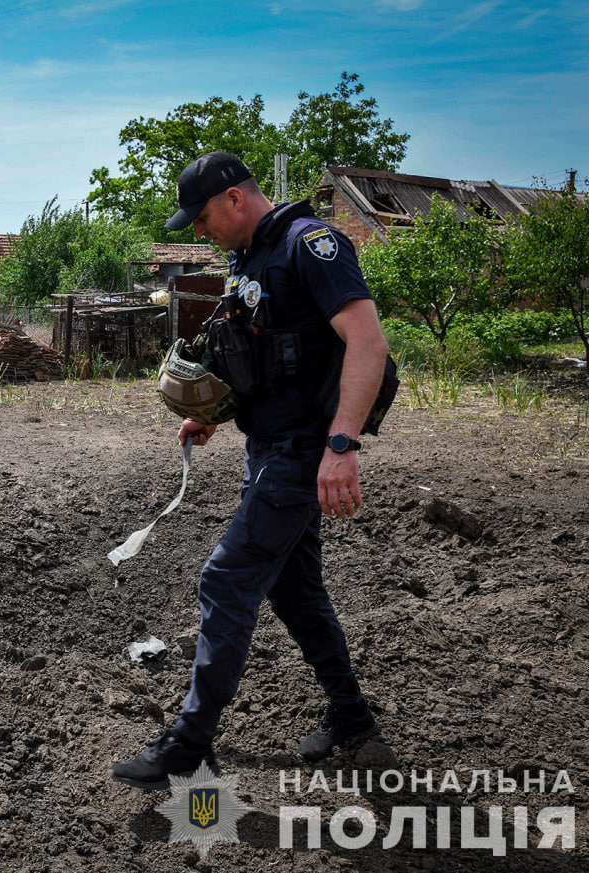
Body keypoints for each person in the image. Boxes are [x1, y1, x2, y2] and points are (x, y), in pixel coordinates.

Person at [112, 152, 390, 790]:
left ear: (235, 198)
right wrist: (214, 412)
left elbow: (367, 343)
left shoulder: (310, 245)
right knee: (294, 591)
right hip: (266, 448)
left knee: (226, 581)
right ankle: (351, 716)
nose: (199, 231)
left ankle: (188, 742)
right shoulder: (246, 259)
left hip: (303, 453)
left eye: (203, 217)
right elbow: (261, 358)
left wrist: (342, 445)